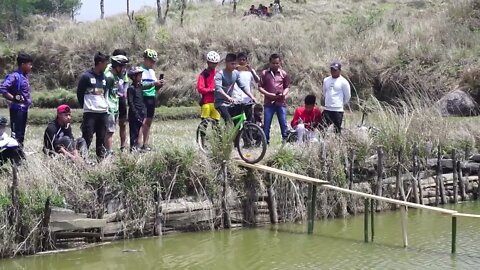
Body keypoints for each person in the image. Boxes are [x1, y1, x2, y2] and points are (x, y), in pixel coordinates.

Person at [77, 52, 110, 159]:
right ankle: (82, 159)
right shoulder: (86, 76)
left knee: (101, 137)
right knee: (87, 136)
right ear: (99, 63)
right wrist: (86, 106)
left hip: (103, 113)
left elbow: (104, 94)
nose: (106, 66)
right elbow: (79, 93)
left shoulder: (105, 78)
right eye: (105, 63)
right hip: (90, 113)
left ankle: (101, 159)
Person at [0, 52, 33, 147]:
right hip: (17, 109)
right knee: (16, 134)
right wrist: (13, 98)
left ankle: (19, 152)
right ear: (23, 65)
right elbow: (2, 88)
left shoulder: (24, 76)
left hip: (23, 109)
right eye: (29, 64)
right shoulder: (15, 76)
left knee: (21, 134)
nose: (31, 66)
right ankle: (14, 155)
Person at [214, 53, 257, 124]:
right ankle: (225, 134)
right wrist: (228, 97)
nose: (234, 66)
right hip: (221, 103)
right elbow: (218, 89)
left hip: (231, 103)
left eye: (235, 64)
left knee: (237, 122)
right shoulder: (220, 74)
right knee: (229, 122)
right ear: (226, 63)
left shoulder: (236, 73)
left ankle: (238, 135)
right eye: (232, 64)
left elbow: (242, 86)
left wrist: (252, 97)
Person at [258, 53, 290, 144]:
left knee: (283, 123)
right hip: (269, 103)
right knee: (267, 124)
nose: (275, 65)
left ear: (280, 63)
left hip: (281, 102)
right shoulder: (265, 73)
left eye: (277, 63)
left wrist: (283, 94)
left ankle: (285, 141)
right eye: (273, 63)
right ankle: (265, 142)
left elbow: (287, 86)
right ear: (270, 63)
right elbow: (260, 87)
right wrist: (268, 94)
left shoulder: (283, 74)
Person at [139, 49, 165, 151]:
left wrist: (159, 85)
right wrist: (154, 84)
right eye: (151, 61)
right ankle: (138, 144)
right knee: (142, 121)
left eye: (154, 61)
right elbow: (140, 86)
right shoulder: (140, 70)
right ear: (145, 59)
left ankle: (145, 144)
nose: (153, 63)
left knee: (149, 121)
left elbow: (154, 88)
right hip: (143, 97)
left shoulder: (152, 71)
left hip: (151, 97)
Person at [105, 49, 130, 152]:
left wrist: (124, 93)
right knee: (109, 127)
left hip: (119, 98)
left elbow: (126, 82)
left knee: (122, 123)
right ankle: (107, 149)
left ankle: (123, 146)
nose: (124, 68)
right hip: (110, 100)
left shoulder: (123, 71)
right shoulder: (108, 72)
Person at [321, 62, 351, 134]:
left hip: (338, 110)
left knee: (337, 129)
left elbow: (347, 96)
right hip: (327, 109)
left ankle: (337, 143)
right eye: (332, 70)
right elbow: (325, 92)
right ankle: (322, 143)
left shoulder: (343, 82)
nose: (333, 72)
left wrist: (339, 103)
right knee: (322, 127)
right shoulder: (326, 80)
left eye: (335, 70)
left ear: (339, 71)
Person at [233, 52, 260, 122]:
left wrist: (251, 71)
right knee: (237, 122)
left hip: (247, 99)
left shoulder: (250, 72)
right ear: (237, 61)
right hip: (236, 99)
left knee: (249, 121)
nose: (241, 62)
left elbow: (258, 81)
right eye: (240, 60)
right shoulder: (233, 71)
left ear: (246, 61)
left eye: (243, 60)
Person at [127, 67, 148, 152]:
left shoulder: (140, 87)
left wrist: (144, 111)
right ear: (133, 77)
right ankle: (133, 148)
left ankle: (138, 147)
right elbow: (130, 102)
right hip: (134, 114)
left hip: (141, 112)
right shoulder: (131, 88)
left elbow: (142, 100)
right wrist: (135, 113)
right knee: (134, 132)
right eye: (139, 76)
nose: (140, 77)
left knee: (139, 131)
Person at [197, 51, 221, 123]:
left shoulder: (218, 73)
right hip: (206, 102)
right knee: (204, 123)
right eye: (212, 63)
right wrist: (211, 90)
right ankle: (202, 134)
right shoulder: (203, 74)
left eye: (215, 63)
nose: (214, 65)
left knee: (216, 123)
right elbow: (200, 89)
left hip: (216, 102)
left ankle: (216, 134)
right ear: (208, 62)